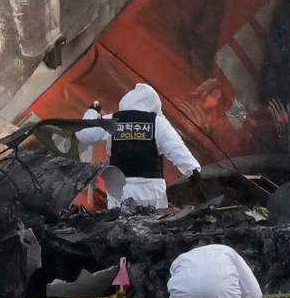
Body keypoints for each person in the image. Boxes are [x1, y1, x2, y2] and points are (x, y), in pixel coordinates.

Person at [74, 83, 199, 211]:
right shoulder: (158, 123)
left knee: (120, 225)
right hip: (151, 189)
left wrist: (92, 112)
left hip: (119, 189)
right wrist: (192, 169)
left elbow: (84, 134)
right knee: (153, 224)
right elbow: (176, 148)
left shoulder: (112, 120)